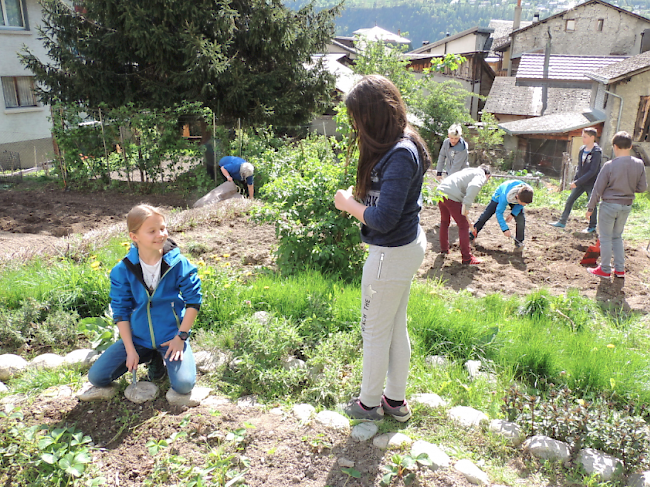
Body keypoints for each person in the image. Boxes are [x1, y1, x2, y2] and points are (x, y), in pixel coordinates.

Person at [334, 75, 430, 422]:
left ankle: (369, 404)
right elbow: (391, 201)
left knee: (374, 330)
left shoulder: (400, 153)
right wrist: (361, 197)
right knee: (393, 327)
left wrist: (347, 204)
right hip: (401, 250)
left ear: (374, 116)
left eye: (357, 119)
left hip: (390, 254)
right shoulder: (401, 144)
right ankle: (394, 400)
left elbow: (384, 219)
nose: (354, 126)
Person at [88, 205, 202, 395]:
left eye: (163, 228)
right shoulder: (122, 270)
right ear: (134, 237)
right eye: (152, 231)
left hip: (171, 338)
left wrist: (181, 336)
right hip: (139, 338)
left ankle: (161, 359)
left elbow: (194, 301)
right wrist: (130, 349)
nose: (161, 235)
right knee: (97, 377)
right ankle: (151, 356)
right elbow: (120, 312)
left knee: (183, 386)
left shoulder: (179, 263)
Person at [585, 131, 647, 278]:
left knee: (605, 237)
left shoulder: (609, 165)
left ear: (615, 146)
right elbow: (643, 188)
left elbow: (598, 189)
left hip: (609, 206)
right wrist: (630, 188)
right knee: (617, 237)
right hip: (626, 206)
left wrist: (590, 208)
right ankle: (619, 270)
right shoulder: (639, 164)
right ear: (630, 146)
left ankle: (605, 269)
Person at [549, 127, 602, 233]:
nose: (583, 138)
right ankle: (562, 222)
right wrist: (575, 180)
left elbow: (593, 171)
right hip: (581, 181)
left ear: (592, 137)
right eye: (583, 136)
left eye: (585, 137)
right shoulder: (582, 149)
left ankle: (592, 226)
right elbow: (580, 167)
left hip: (592, 182)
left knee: (591, 204)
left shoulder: (597, 152)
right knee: (570, 200)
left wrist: (577, 182)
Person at [437, 165, 491, 265]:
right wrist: (467, 205)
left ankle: (444, 249)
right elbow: (473, 187)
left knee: (445, 222)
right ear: (487, 175)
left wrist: (468, 218)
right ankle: (467, 258)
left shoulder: (469, 171)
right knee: (463, 226)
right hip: (451, 196)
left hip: (441, 192)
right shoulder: (481, 175)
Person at [469, 180, 534, 250]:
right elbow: (499, 213)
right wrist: (505, 229)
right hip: (499, 196)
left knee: (521, 219)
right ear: (517, 196)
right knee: (485, 216)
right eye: (523, 203)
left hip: (517, 199)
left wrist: (513, 214)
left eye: (525, 204)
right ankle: (471, 236)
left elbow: (521, 205)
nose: (524, 205)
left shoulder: (527, 192)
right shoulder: (504, 197)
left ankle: (519, 242)